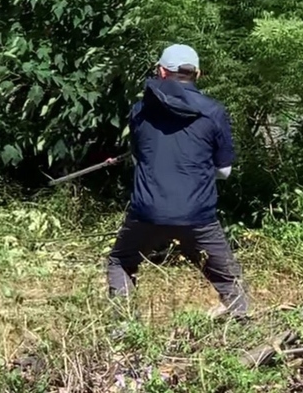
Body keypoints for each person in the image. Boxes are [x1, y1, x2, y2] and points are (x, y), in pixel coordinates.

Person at [106, 44, 249, 320]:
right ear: (198, 73)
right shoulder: (213, 112)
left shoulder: (140, 111)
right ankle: (244, 329)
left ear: (161, 71)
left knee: (121, 262)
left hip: (147, 212)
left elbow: (139, 160)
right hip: (197, 214)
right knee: (229, 279)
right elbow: (225, 170)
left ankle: (122, 328)